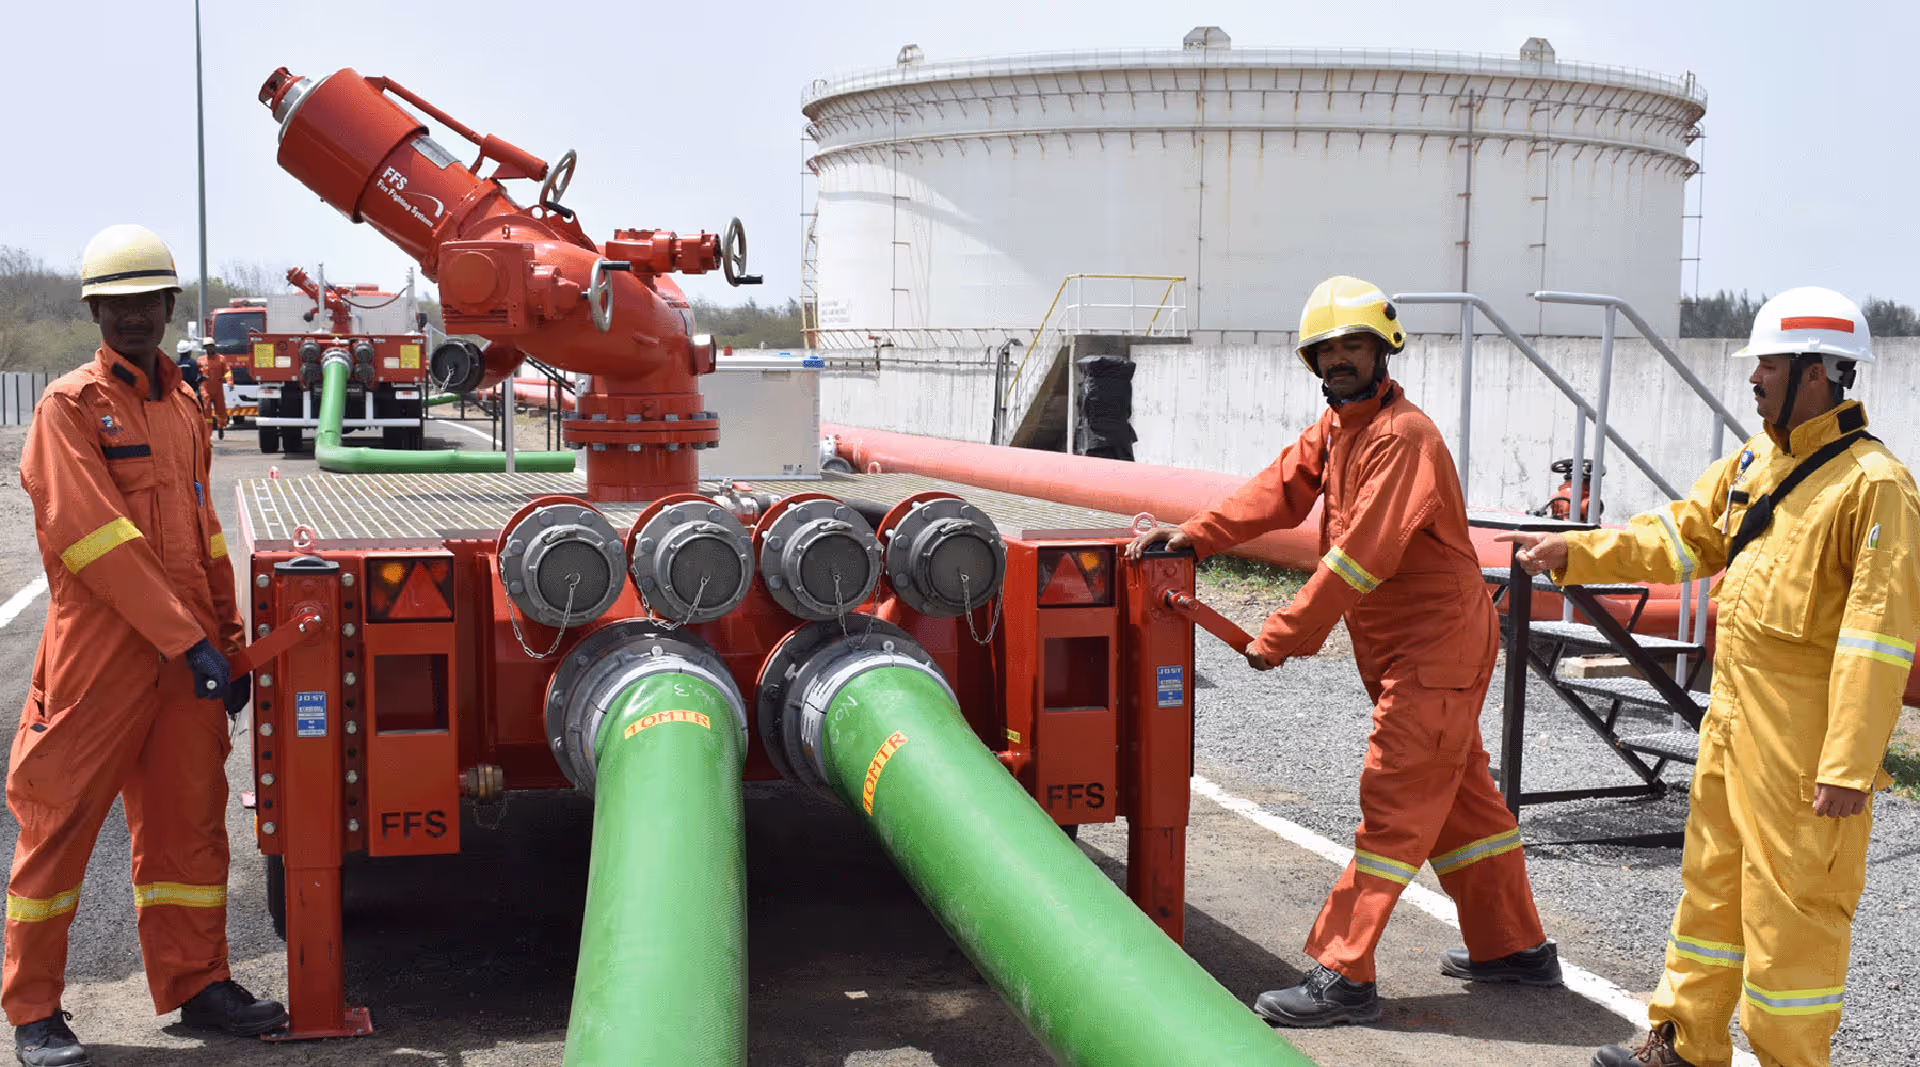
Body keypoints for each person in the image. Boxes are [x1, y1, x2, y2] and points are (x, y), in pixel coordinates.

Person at [1500, 288, 1917, 1067]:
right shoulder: (1756, 464)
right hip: (1733, 727)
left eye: (1766, 364)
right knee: (1710, 894)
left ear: (1817, 373)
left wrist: (1849, 766)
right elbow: (1683, 534)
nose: (1753, 378)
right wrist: (1578, 552)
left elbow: (1878, 638)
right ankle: (1687, 1045)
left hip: (1803, 754)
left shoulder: (1873, 486)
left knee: (1792, 921)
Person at [1127, 275, 1558, 1027]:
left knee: (1394, 798)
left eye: (1353, 346)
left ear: (1383, 348)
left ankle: (1343, 971)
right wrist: (1195, 533)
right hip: (1407, 644)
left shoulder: (1404, 438)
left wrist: (1283, 634)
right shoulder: (1338, 429)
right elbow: (1276, 490)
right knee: (1461, 800)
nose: (1340, 360)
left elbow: (1362, 556)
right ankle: (1514, 947)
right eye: (1327, 351)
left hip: (1437, 643)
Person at [6, 224, 288, 1067]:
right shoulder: (68, 409)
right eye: (116, 304)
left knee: (188, 826)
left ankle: (197, 982)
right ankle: (33, 1013)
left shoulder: (184, 404)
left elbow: (202, 534)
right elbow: (94, 540)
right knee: (58, 827)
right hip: (99, 658)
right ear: (95, 311)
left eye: (147, 301)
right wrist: (184, 638)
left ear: (169, 306)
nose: (133, 317)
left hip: (188, 659)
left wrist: (227, 643)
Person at [196, 342, 229, 441]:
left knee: (221, 411)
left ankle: (220, 426)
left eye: (211, 346)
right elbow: (196, 374)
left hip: (218, 388)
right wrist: (199, 378)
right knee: (207, 411)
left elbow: (227, 371)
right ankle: (208, 434)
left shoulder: (221, 359)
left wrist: (230, 382)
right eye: (207, 347)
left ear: (214, 347)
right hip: (205, 388)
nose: (209, 348)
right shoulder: (200, 360)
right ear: (205, 348)